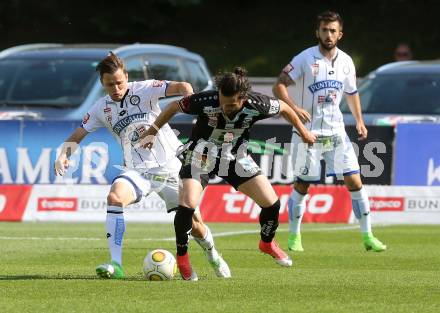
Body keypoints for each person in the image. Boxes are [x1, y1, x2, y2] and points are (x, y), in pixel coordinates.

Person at [54, 52, 230, 279]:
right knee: (115, 198)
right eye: (110, 84)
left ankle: (212, 254)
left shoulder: (145, 89)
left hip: (170, 167)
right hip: (137, 171)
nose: (116, 88)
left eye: (119, 82)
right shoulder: (100, 108)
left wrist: (194, 107)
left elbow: (183, 86)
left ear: (126, 77)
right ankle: (115, 264)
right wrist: (63, 155)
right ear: (102, 83)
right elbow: (78, 134)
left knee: (195, 225)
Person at [142, 67, 316, 280]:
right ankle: (183, 258)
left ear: (243, 99)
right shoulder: (206, 100)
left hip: (235, 157)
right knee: (187, 206)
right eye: (222, 103)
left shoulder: (257, 103)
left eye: (231, 105)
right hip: (200, 154)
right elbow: (173, 106)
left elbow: (284, 108)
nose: (225, 108)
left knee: (272, 203)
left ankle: (267, 242)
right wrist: (151, 133)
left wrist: (303, 131)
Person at [272, 11, 386, 253]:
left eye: (333, 30)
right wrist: (294, 108)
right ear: (317, 32)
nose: (328, 34)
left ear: (340, 34)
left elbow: (352, 93)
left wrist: (359, 121)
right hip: (307, 134)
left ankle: (368, 236)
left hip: (336, 133)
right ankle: (294, 237)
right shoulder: (305, 58)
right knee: (303, 184)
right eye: (324, 30)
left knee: (355, 181)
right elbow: (279, 85)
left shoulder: (346, 61)